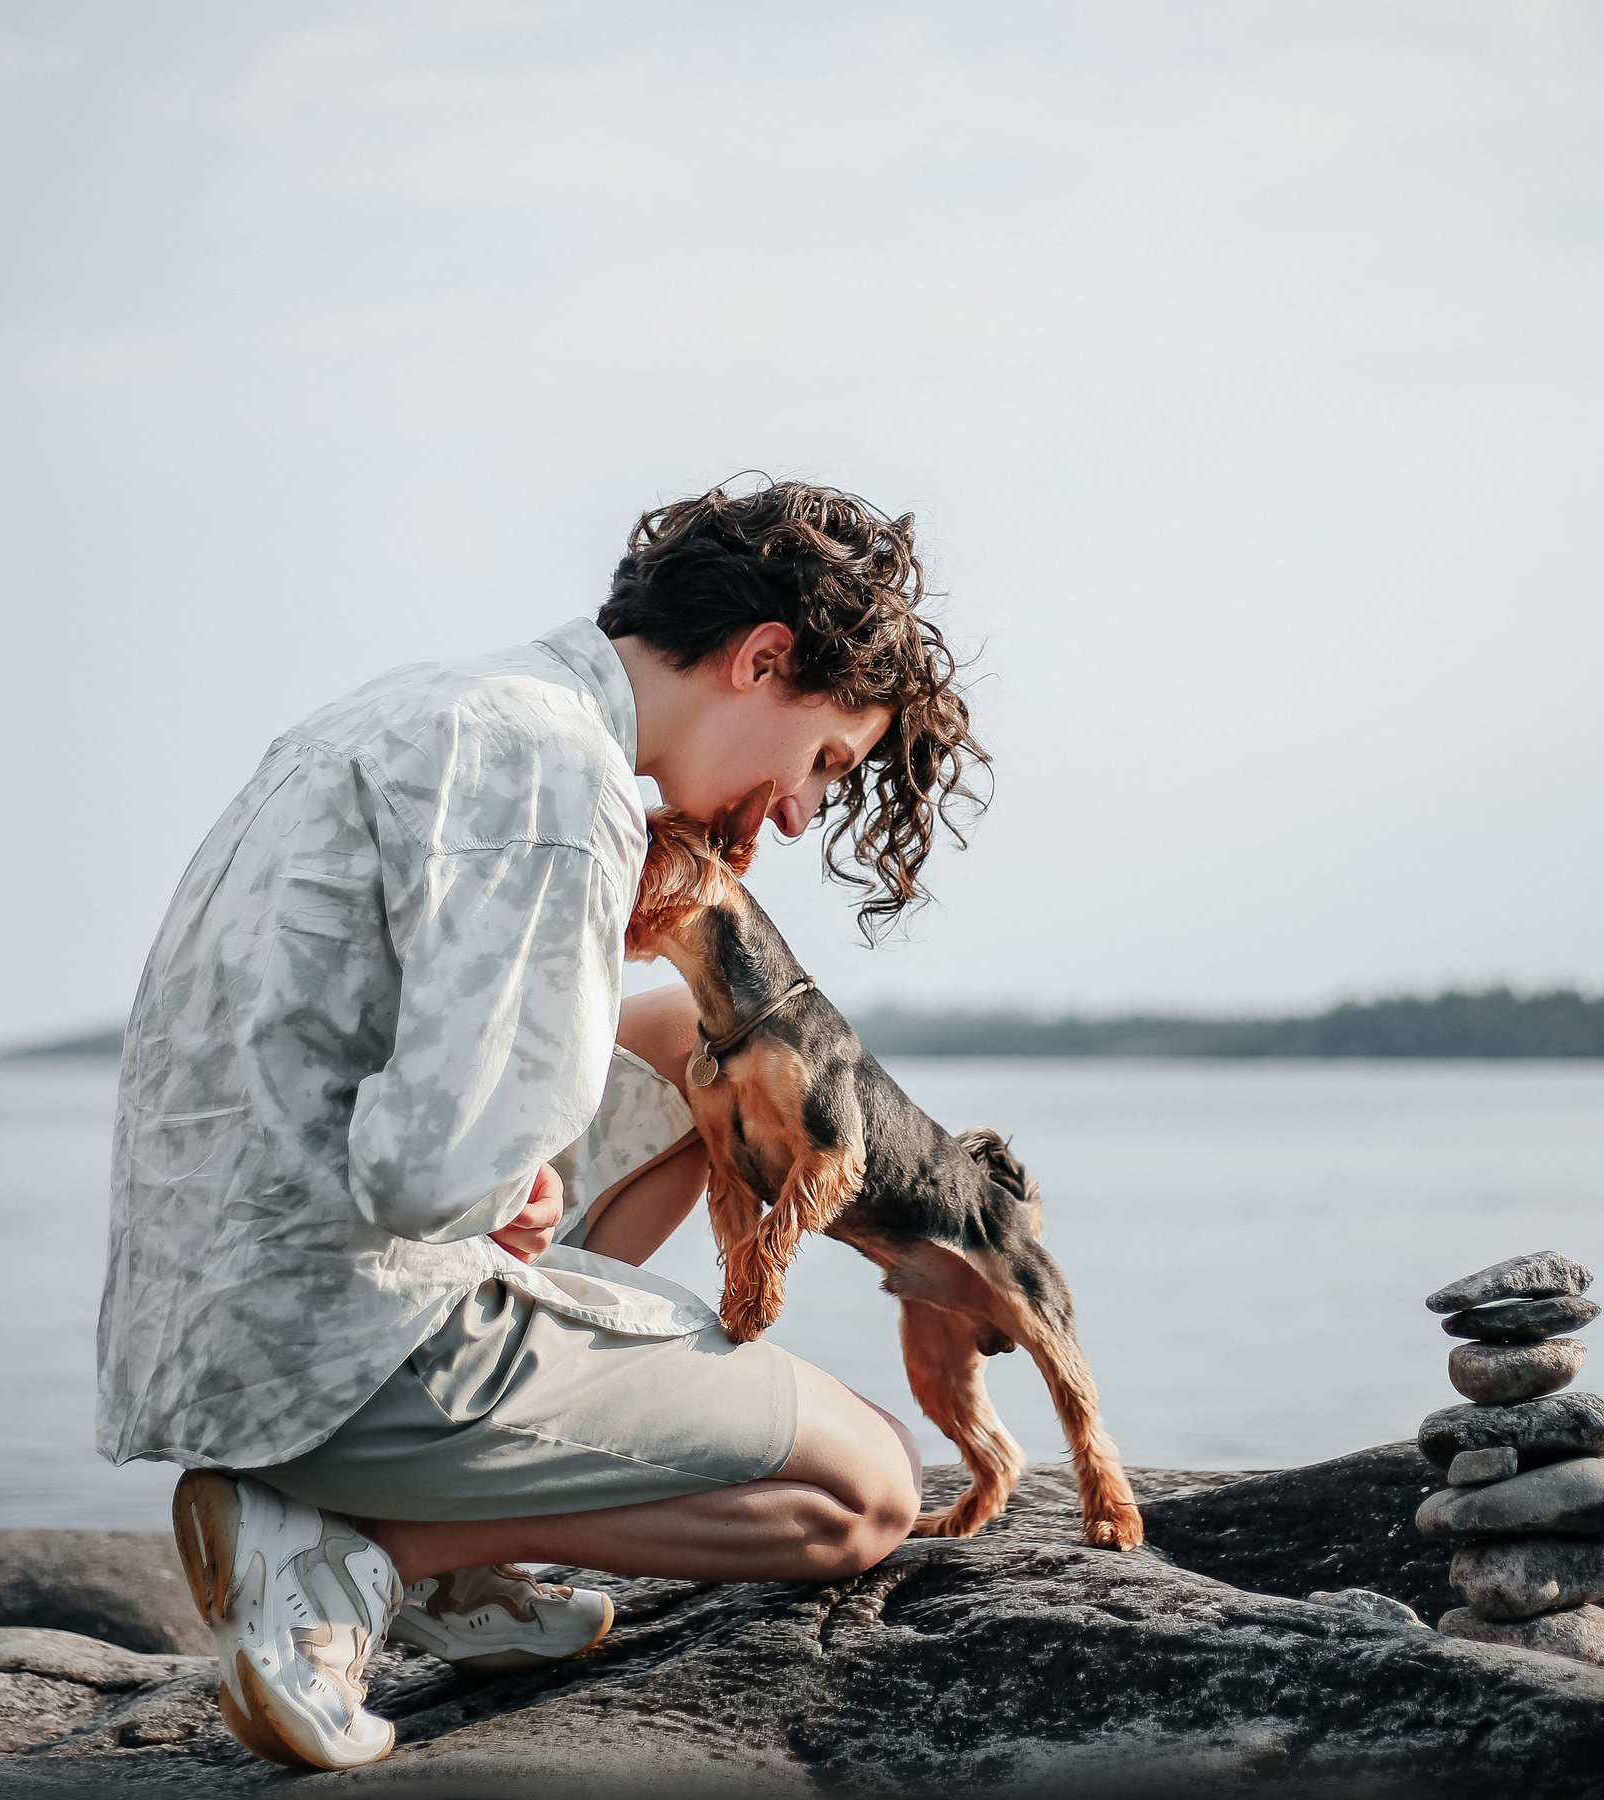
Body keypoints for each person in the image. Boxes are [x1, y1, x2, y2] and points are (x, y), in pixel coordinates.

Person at [95, 480, 987, 1769]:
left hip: (200, 1318)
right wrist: (501, 1173)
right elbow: (425, 1174)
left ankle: (462, 1524)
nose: (799, 811)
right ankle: (368, 1553)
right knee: (866, 1492)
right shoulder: (561, 785)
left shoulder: (427, 705)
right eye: (824, 762)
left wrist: (508, 1163)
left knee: (697, 1044)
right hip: (331, 1350)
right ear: (764, 658)